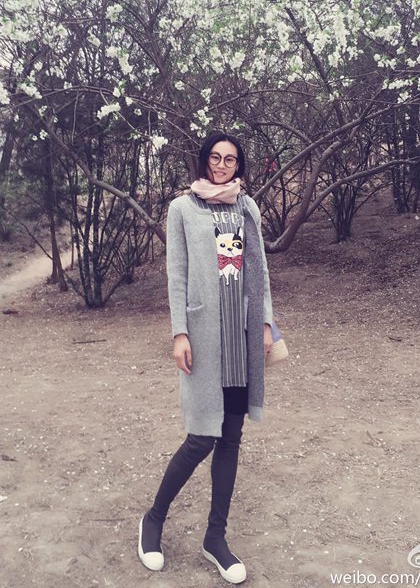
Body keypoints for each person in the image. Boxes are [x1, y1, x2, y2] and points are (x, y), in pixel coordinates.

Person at [138, 130, 275, 584]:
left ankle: (215, 538)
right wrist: (179, 332)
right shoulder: (183, 208)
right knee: (201, 437)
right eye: (215, 157)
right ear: (204, 160)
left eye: (230, 159)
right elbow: (177, 274)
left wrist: (266, 322)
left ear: (239, 165)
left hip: (240, 337)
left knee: (231, 438)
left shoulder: (246, 207)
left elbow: (256, 270)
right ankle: (153, 519)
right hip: (204, 336)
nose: (221, 165)